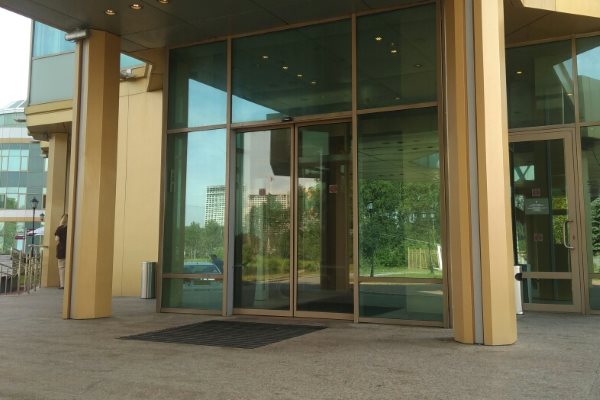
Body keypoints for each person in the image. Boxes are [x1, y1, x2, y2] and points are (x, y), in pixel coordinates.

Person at [55, 214, 67, 289]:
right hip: (69, 250)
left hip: (61, 250)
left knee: (62, 268)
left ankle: (63, 285)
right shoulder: (71, 227)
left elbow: (56, 239)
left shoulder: (60, 228)